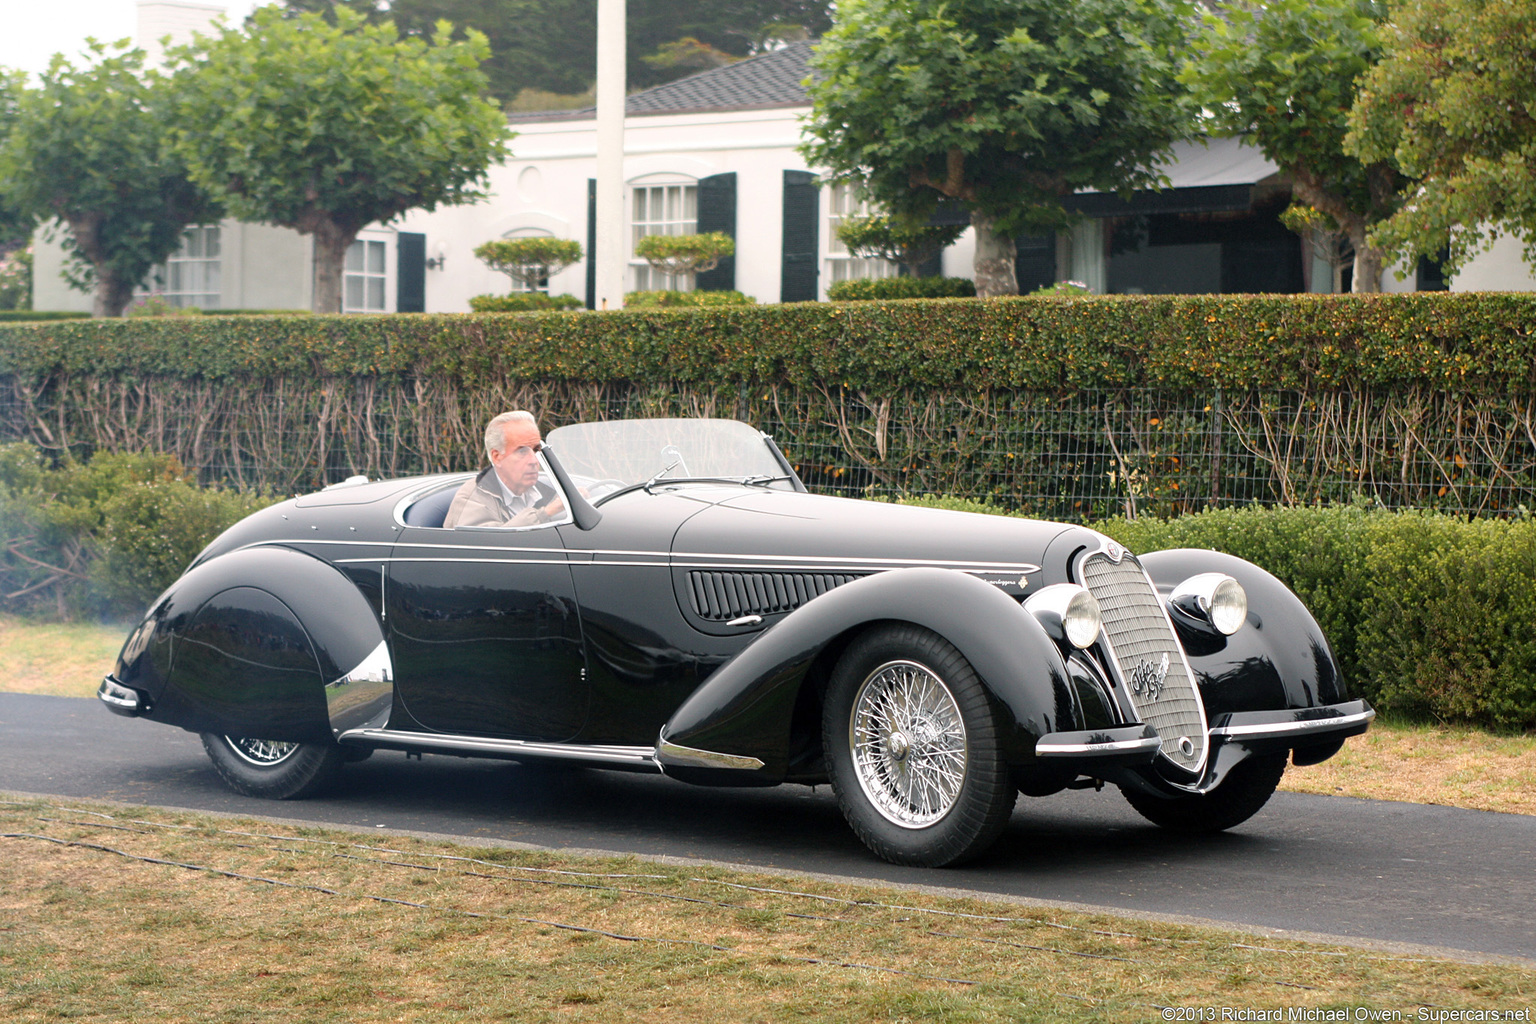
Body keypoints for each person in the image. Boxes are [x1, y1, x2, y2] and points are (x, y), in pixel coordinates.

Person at [442, 411, 566, 528]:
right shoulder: (472, 498)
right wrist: (544, 514)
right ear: (497, 457)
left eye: (536, 450)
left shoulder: (547, 492)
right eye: (522, 451)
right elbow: (490, 543)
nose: (534, 461)